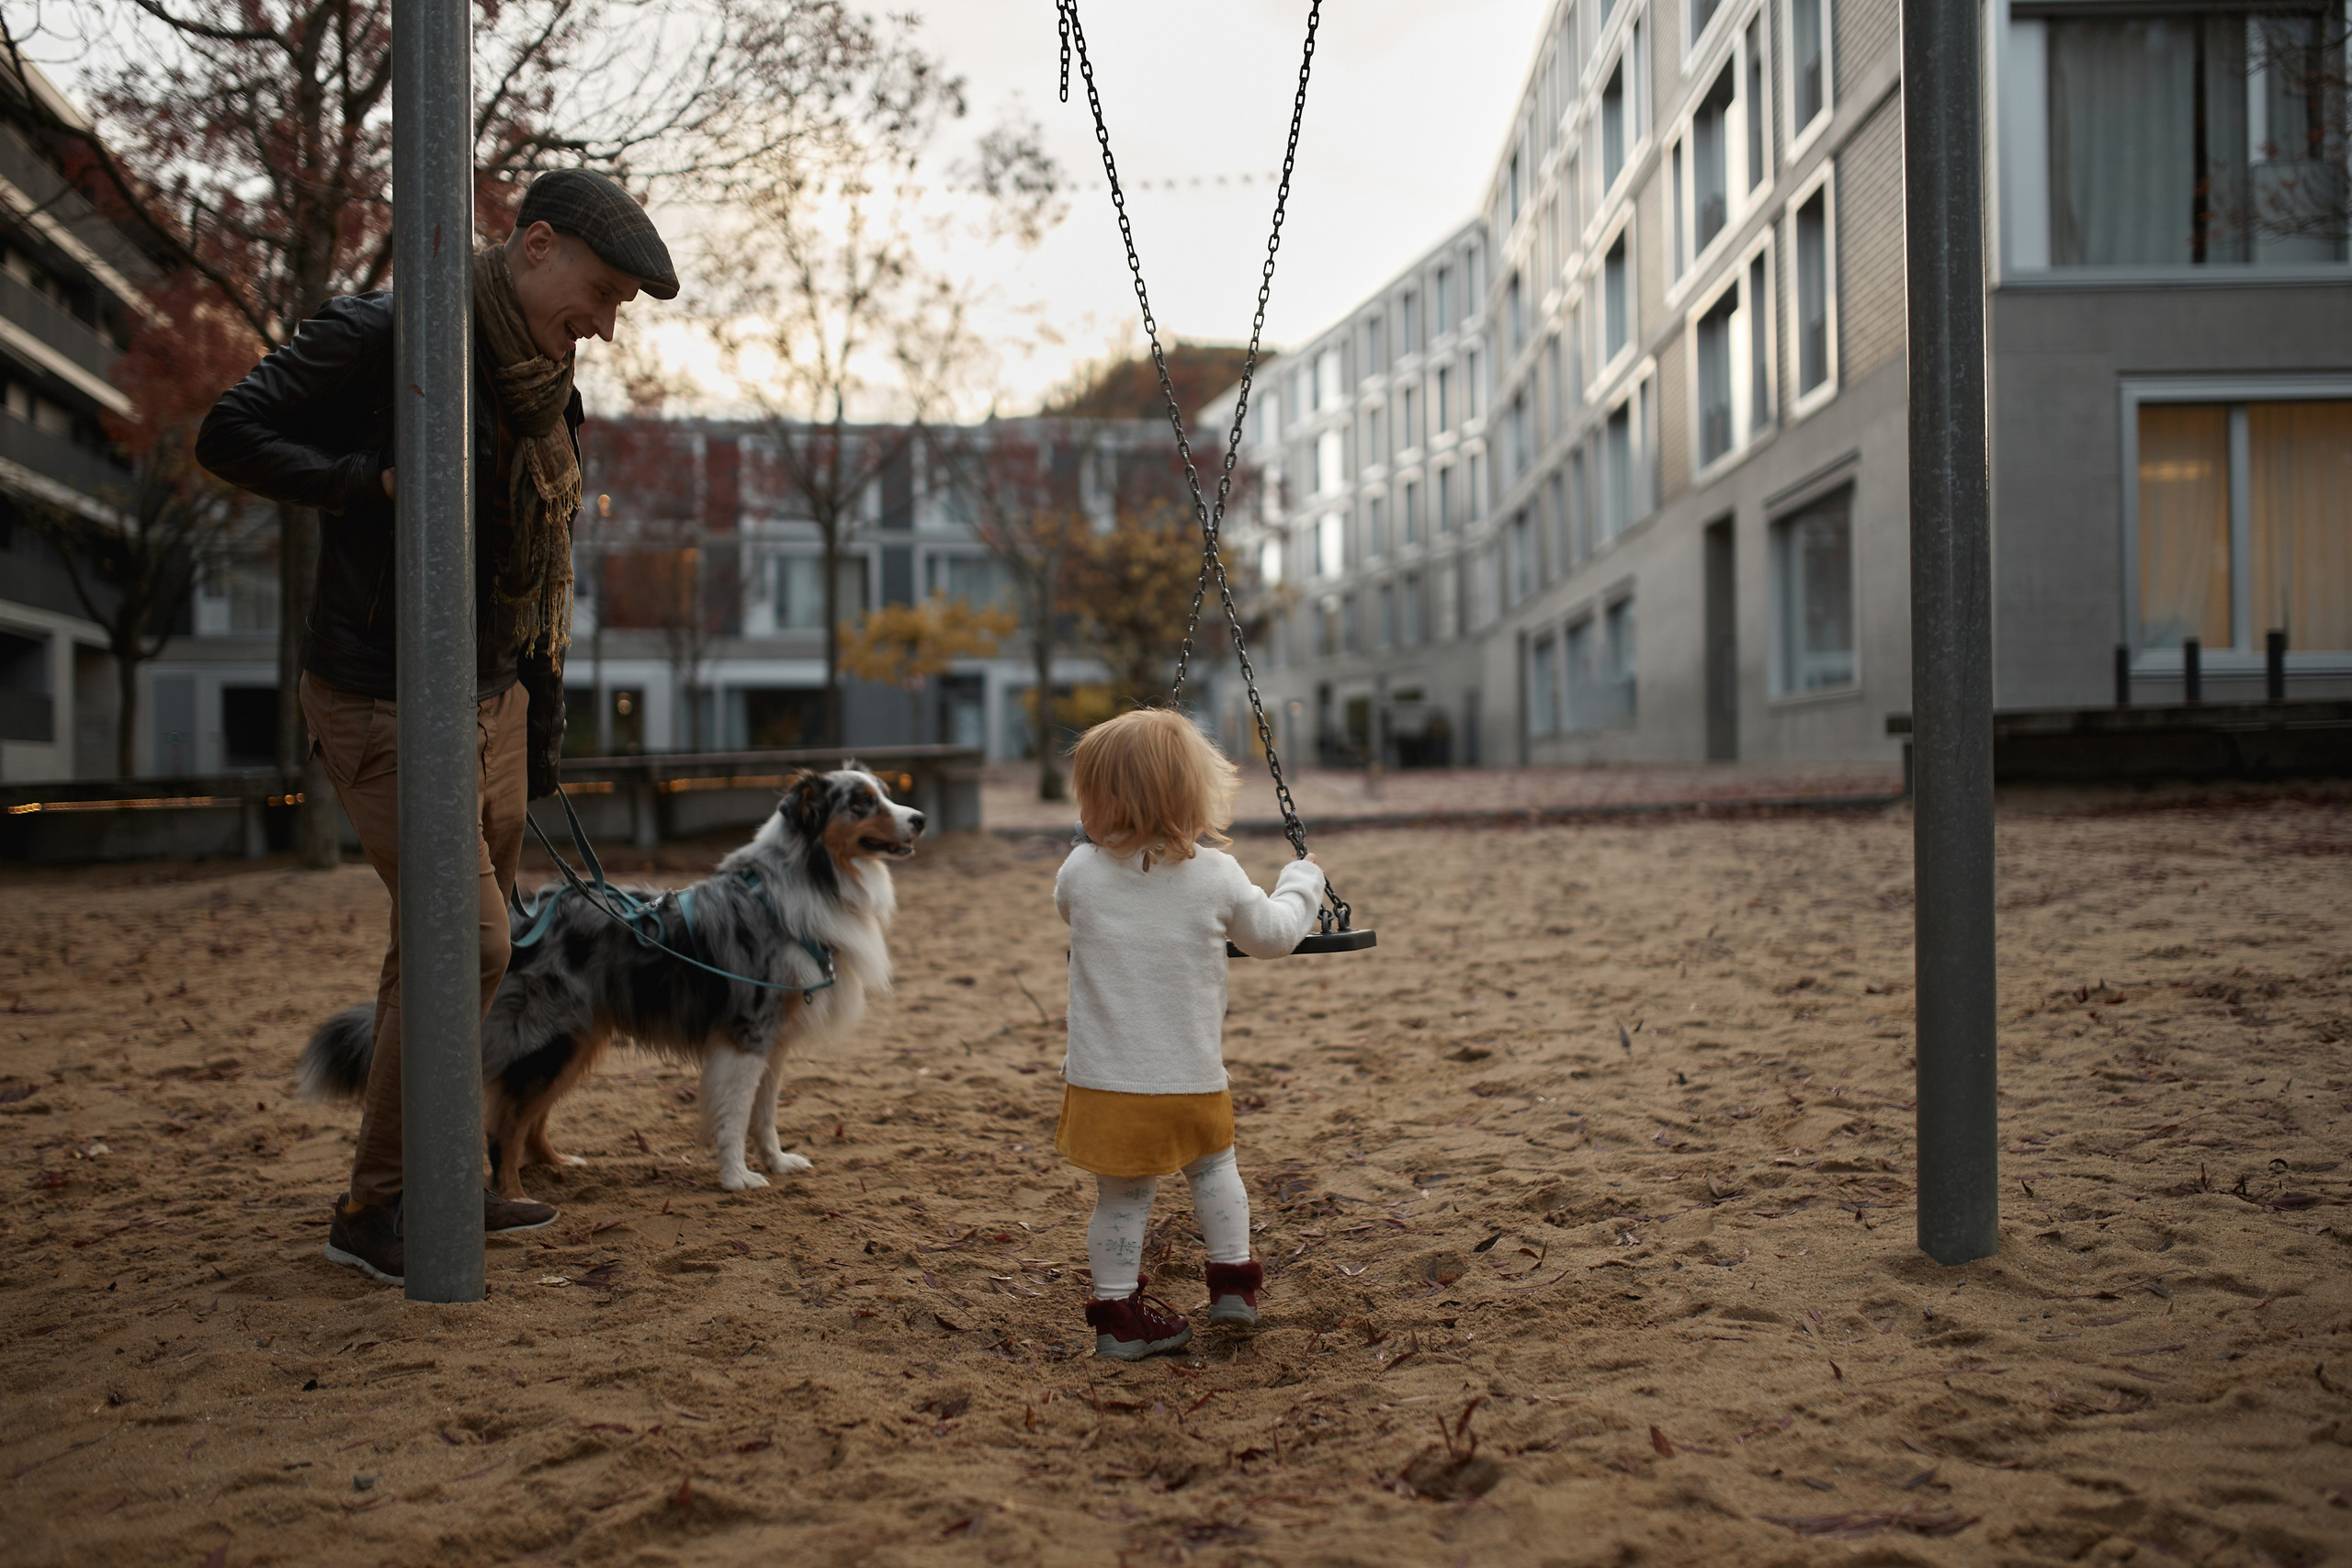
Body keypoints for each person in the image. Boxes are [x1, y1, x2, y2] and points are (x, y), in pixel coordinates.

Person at [196, 169, 679, 1287]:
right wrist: (369, 483)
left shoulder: (542, 382)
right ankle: (379, 1209)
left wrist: (539, 726)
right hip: (379, 690)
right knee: (469, 940)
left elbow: (542, 574)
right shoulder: (388, 336)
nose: (605, 327)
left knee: (449, 938)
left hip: (494, 696)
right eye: (600, 294)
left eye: (620, 309)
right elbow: (231, 430)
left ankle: (433, 1180)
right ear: (536, 246)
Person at [1053, 708, 1326, 1359]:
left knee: (1121, 1195)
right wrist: (1303, 882)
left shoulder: (1079, 872)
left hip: (1105, 1084)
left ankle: (1117, 1315)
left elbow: (1078, 905)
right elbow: (1274, 937)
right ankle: (1234, 1284)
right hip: (1191, 1079)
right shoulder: (1217, 875)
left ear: (1105, 803)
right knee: (1215, 1169)